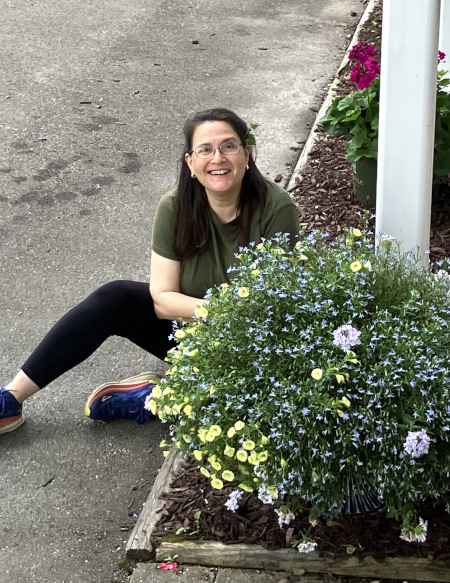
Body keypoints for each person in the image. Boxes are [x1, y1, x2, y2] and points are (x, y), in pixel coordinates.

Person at [0, 108, 300, 435]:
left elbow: (267, 311)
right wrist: (216, 311)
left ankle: (153, 396)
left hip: (249, 344)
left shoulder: (276, 210)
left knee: (251, 411)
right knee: (115, 297)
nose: (218, 158)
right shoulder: (175, 207)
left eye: (229, 146)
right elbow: (162, 301)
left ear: (246, 154)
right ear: (190, 163)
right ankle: (10, 401)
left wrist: (212, 322)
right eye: (205, 149)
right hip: (188, 330)